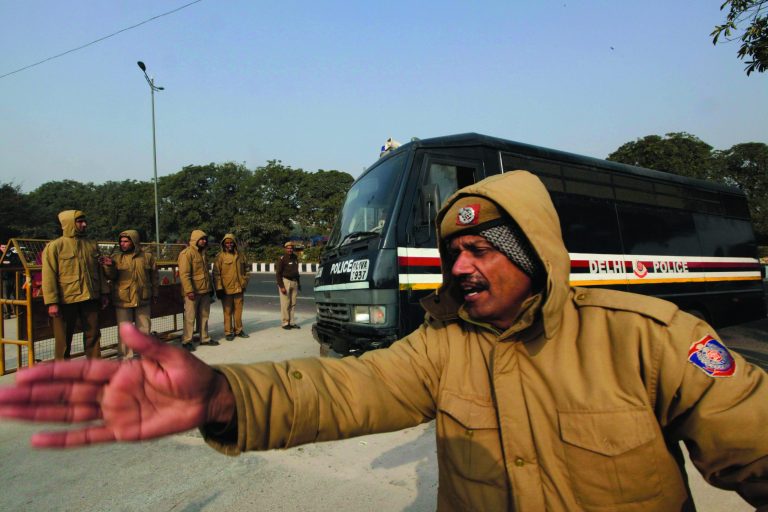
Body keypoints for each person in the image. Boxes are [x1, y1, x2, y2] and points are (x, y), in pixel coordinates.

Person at [1, 172, 766, 511]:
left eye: (485, 249)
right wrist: (223, 393)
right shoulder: (445, 348)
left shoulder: (648, 341)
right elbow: (345, 389)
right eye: (454, 253)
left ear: (535, 249)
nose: (461, 266)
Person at [40, 210, 109, 359]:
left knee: (94, 335)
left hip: (90, 297)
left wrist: (103, 293)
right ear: (69, 223)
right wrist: (52, 302)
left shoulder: (91, 245)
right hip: (66, 300)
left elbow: (99, 270)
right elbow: (48, 276)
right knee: (63, 340)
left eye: (84, 221)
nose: (84, 224)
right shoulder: (55, 246)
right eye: (80, 221)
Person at [102, 230, 159, 359]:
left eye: (126, 241)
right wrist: (109, 266)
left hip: (142, 297)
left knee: (144, 329)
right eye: (121, 241)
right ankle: (125, 357)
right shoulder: (116, 258)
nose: (123, 244)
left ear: (134, 241)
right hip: (123, 299)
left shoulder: (147, 257)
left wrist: (155, 293)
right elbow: (111, 276)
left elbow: (154, 277)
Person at [178, 229, 218, 351]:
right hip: (193, 292)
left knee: (204, 316)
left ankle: (204, 338)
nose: (204, 241)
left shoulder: (203, 253)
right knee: (190, 317)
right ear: (195, 240)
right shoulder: (186, 254)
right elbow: (184, 274)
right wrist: (189, 291)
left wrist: (210, 288)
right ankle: (187, 340)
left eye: (205, 239)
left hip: (204, 290)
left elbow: (206, 273)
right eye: (201, 239)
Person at [213, 234, 250, 341]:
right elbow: (216, 274)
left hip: (239, 288)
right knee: (227, 312)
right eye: (227, 243)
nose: (229, 245)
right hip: (226, 289)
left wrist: (244, 282)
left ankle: (239, 330)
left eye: (231, 242)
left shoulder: (241, 256)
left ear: (234, 243)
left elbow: (247, 270)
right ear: (223, 244)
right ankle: (228, 332)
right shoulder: (220, 257)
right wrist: (219, 288)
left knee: (238, 311)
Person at [275, 241, 300, 329]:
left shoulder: (295, 257)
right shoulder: (282, 258)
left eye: (291, 248)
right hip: (286, 282)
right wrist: (281, 286)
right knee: (285, 303)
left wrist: (299, 283)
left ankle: (292, 322)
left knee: (293, 303)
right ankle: (285, 323)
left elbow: (297, 272)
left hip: (294, 282)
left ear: (293, 249)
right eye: (288, 248)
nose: (290, 250)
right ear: (285, 249)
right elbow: (278, 273)